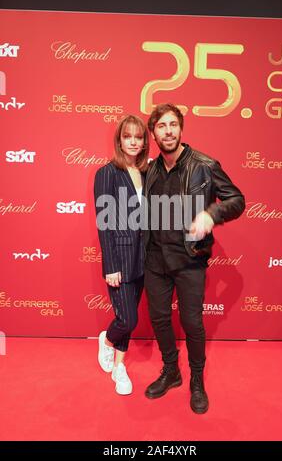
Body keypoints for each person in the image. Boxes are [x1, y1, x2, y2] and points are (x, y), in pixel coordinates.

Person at [143, 103, 245, 413]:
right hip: (155, 259)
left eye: (173, 124)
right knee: (160, 320)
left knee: (191, 323)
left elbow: (237, 200)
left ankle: (197, 380)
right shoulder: (151, 170)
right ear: (154, 133)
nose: (169, 131)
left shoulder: (204, 164)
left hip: (190, 259)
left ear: (181, 128)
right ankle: (171, 370)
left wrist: (212, 214)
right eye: (162, 126)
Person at [94, 115, 149, 395]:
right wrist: (111, 265)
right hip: (121, 257)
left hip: (145, 258)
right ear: (119, 140)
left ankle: (119, 367)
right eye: (128, 136)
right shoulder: (107, 173)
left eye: (138, 137)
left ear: (144, 141)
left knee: (131, 315)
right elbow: (105, 223)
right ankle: (106, 341)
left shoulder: (148, 172)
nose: (133, 142)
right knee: (127, 319)